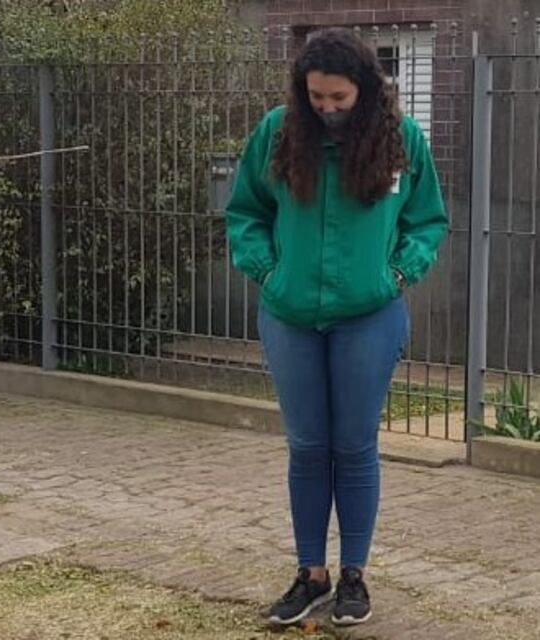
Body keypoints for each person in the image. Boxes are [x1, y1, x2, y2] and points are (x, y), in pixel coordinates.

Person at [225, 28, 447, 627]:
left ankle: (354, 576)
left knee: (353, 446)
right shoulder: (278, 132)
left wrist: (400, 274)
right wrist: (267, 271)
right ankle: (310, 574)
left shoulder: (402, 140)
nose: (326, 108)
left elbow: (428, 221)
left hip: (369, 316)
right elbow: (245, 212)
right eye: (316, 96)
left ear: (366, 92)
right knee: (306, 447)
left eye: (338, 98)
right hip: (290, 314)